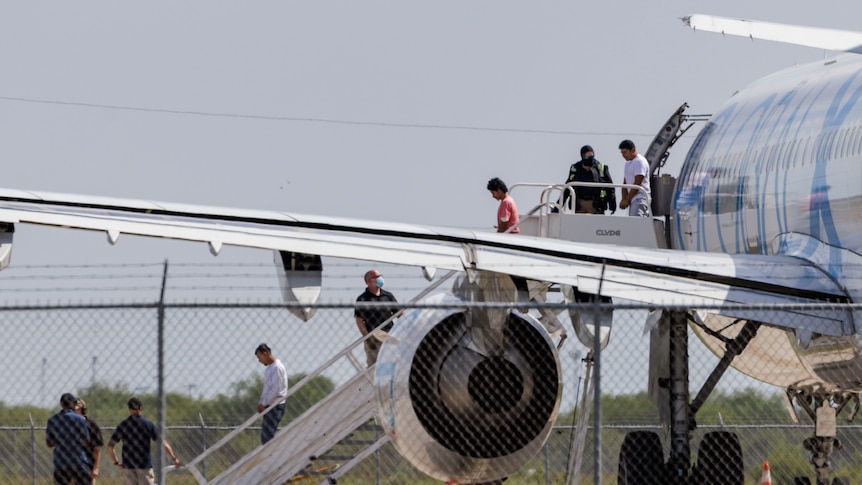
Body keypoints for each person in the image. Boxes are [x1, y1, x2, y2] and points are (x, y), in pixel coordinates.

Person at [107, 397, 182, 485]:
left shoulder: (123, 425)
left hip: (128, 466)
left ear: (129, 409)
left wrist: (116, 462)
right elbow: (163, 443)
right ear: (141, 408)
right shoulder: (148, 425)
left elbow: (110, 446)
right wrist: (174, 458)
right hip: (144, 465)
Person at [354, 269, 399, 367]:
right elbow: (359, 321)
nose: (380, 278)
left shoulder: (388, 296)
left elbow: (399, 313)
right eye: (376, 277)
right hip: (373, 335)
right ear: (368, 281)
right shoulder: (362, 299)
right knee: (373, 365)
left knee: (392, 362)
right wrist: (367, 337)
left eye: (380, 276)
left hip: (389, 334)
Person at [46, 392, 91, 485]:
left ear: (61, 404)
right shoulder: (79, 419)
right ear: (73, 403)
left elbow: (49, 443)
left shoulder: (52, 420)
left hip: (61, 462)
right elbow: (86, 440)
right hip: (78, 461)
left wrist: (61, 440)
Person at [561, 145, 616, 214]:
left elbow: (610, 187)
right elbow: (568, 186)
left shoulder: (601, 168)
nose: (590, 159)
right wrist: (559, 204)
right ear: (582, 156)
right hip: (579, 204)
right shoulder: (575, 168)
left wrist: (612, 205)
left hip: (597, 204)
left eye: (592, 157)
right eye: (587, 157)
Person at [255, 343, 289, 445]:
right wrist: (262, 403)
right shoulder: (270, 368)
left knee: (268, 437)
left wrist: (263, 403)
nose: (259, 360)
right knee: (266, 436)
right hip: (269, 405)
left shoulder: (277, 367)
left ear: (265, 354)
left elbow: (276, 389)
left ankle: (272, 454)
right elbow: (267, 389)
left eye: (259, 357)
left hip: (275, 405)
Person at [618, 139, 651, 217]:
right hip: (632, 198)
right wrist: (623, 199)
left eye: (625, 152)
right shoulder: (628, 164)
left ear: (632, 150)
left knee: (637, 221)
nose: (623, 155)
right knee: (632, 221)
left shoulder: (639, 161)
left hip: (640, 197)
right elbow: (625, 182)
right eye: (622, 153)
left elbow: (638, 183)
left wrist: (627, 199)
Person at [75, 399, 104, 484]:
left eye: (76, 409)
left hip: (88, 466)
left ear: (83, 410)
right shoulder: (69, 425)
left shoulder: (91, 425)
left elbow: (97, 449)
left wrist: (96, 468)